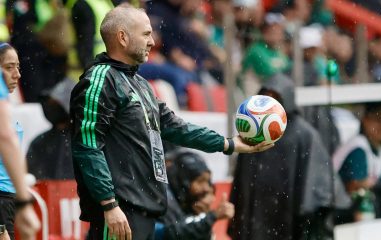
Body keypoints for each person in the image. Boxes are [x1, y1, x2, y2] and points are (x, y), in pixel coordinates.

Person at [69, 5, 272, 240]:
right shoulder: (100, 78)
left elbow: (176, 127)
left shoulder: (141, 84)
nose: (152, 41)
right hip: (120, 213)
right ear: (122, 37)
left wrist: (228, 144)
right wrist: (109, 204)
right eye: (145, 34)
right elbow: (88, 146)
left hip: (144, 212)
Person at [229, 73, 334, 240]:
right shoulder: (252, 133)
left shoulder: (304, 135)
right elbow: (241, 184)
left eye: (275, 98)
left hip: (289, 218)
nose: (270, 104)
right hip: (256, 217)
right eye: (266, 98)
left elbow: (316, 188)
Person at [0, 45, 40, 239]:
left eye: (18, 67)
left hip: (8, 200)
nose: (17, 74)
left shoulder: (6, 105)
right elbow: (5, 138)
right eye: (9, 67)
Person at [333, 102, 381, 222]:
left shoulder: (380, 151)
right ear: (365, 120)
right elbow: (353, 186)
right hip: (339, 209)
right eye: (378, 120)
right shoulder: (358, 147)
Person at [155, 151, 234, 240]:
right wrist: (211, 217)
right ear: (183, 181)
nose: (207, 188)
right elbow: (171, 234)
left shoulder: (189, 202)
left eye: (208, 181)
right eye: (200, 181)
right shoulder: (162, 201)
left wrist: (202, 216)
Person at [27, 77, 76, 180]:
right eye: (48, 104)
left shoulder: (86, 140)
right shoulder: (40, 142)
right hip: (46, 194)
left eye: (55, 104)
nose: (50, 108)